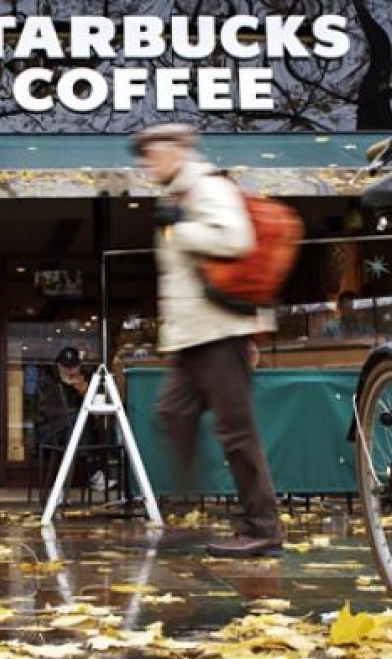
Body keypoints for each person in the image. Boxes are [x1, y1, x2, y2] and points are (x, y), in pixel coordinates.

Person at [131, 123, 284, 558]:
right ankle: (188, 508)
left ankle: (263, 526)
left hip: (220, 333)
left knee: (238, 433)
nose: (147, 163)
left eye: (153, 153)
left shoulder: (207, 189)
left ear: (176, 150)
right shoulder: (175, 197)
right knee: (170, 412)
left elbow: (236, 239)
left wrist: (184, 229)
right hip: (192, 337)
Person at [35, 347, 110, 491]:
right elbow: (47, 411)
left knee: (81, 425)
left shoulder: (86, 377)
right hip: (50, 430)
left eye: (74, 367)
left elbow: (97, 411)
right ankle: (92, 471)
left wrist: (84, 392)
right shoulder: (48, 379)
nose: (70, 371)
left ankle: (62, 486)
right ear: (58, 365)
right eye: (66, 367)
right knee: (77, 421)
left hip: (75, 432)